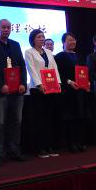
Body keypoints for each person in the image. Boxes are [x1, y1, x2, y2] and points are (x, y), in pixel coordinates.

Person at [0, 19, 28, 166]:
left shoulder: (16, 44)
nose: (6, 30)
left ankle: (15, 151)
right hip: (0, 92)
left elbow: (22, 65)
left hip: (17, 91)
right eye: (3, 27)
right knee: (0, 123)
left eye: (8, 27)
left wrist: (23, 83)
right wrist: (0, 85)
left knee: (16, 122)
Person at [25, 29, 62, 157]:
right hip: (37, 89)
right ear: (33, 39)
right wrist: (39, 84)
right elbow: (31, 69)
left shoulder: (48, 52)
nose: (42, 39)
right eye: (39, 37)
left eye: (43, 36)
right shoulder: (29, 52)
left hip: (51, 88)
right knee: (40, 119)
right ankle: (41, 148)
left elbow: (54, 68)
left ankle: (50, 146)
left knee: (49, 118)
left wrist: (58, 82)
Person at [54, 32, 89, 152]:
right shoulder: (59, 57)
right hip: (67, 91)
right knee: (70, 118)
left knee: (80, 117)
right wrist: (69, 82)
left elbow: (84, 72)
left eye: (74, 40)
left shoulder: (80, 56)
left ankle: (80, 142)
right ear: (63, 42)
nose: (73, 42)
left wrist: (87, 82)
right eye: (69, 40)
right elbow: (58, 74)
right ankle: (71, 143)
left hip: (80, 91)